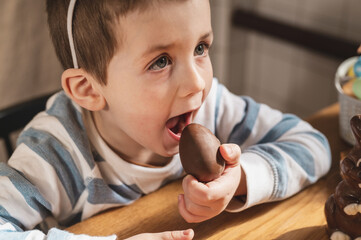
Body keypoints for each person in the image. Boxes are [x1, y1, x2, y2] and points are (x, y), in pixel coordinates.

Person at [0, 0, 331, 239]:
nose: (197, 84)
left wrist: (240, 180)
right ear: (88, 89)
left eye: (201, 48)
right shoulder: (56, 151)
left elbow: (312, 145)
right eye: (161, 61)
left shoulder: (212, 106)